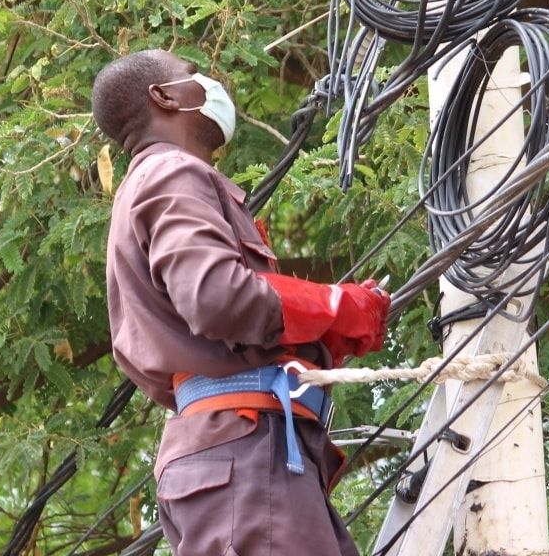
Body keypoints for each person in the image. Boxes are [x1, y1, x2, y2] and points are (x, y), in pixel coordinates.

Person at [92, 49, 390, 556]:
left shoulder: (147, 186)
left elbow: (210, 326)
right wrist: (335, 305)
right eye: (193, 75)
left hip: (238, 459)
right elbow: (217, 296)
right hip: (245, 458)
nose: (211, 83)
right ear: (164, 97)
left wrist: (306, 336)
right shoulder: (171, 173)